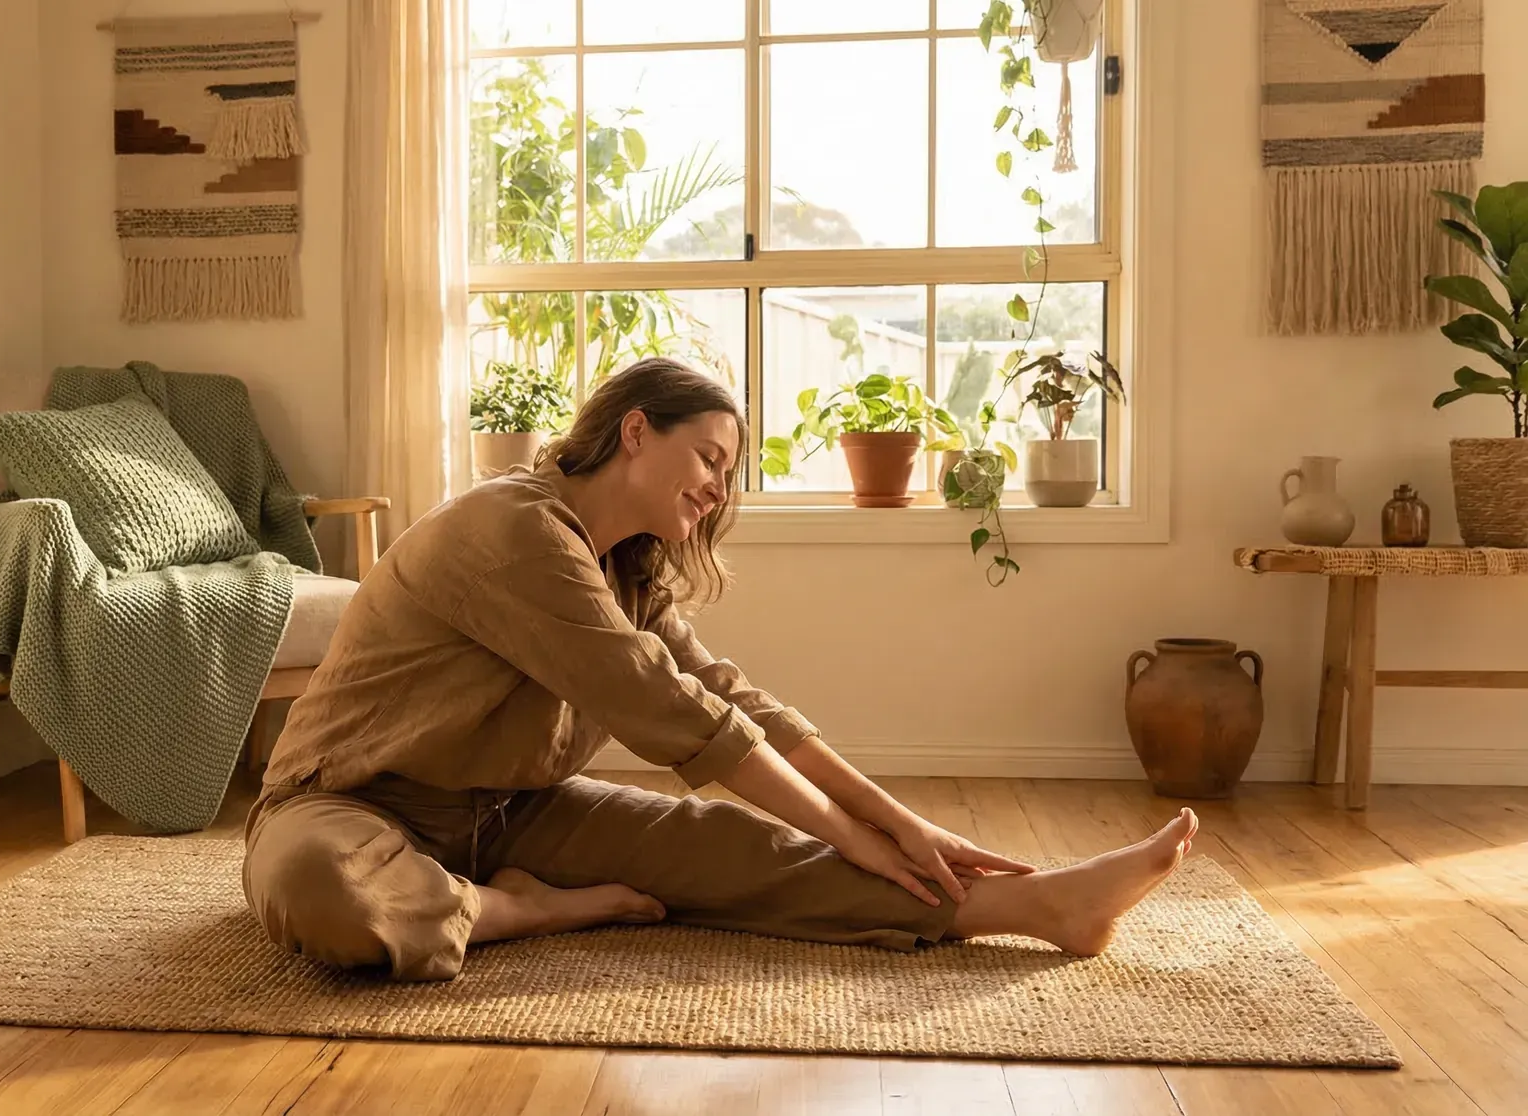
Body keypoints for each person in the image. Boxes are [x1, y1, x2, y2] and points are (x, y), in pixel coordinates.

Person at [242, 356, 1198, 981]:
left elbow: (735, 703)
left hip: (504, 813)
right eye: (706, 456)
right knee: (326, 891)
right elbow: (669, 712)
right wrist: (859, 836)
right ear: (633, 432)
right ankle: (511, 914)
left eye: (728, 472)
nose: (716, 488)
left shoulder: (626, 566)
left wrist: (901, 825)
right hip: (349, 807)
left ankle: (1040, 907)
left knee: (729, 850)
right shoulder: (511, 532)